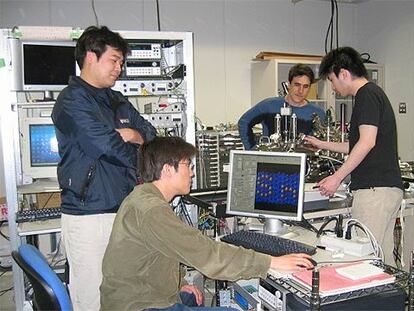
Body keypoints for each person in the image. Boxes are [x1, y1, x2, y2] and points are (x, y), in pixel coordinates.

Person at [100, 137, 314, 310]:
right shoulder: (152, 210)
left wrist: (181, 283)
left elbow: (158, 253)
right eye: (187, 165)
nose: (192, 172)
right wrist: (269, 263)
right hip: (141, 306)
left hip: (140, 297)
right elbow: (208, 254)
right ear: (167, 169)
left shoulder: (142, 197)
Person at [52, 26, 156, 310]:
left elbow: (151, 133)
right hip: (89, 215)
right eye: (114, 60)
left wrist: (136, 135)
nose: (119, 68)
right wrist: (149, 161)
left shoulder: (116, 100)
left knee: (125, 292)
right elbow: (108, 147)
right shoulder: (72, 102)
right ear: (90, 57)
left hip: (123, 210)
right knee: (92, 298)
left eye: (121, 62)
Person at [304, 47, 403, 266]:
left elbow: (367, 143)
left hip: (374, 192)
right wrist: (322, 144)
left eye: (331, 79)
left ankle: (377, 301)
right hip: (384, 190)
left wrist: (336, 177)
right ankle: (391, 301)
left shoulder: (366, 95)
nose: (332, 86)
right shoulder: (372, 94)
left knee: (366, 261)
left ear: (344, 73)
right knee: (382, 259)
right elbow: (357, 144)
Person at [238, 64, 325, 150]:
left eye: (305, 86)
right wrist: (252, 152)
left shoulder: (317, 113)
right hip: (271, 162)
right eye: (297, 85)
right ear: (289, 84)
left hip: (302, 162)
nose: (300, 91)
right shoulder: (269, 106)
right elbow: (244, 122)